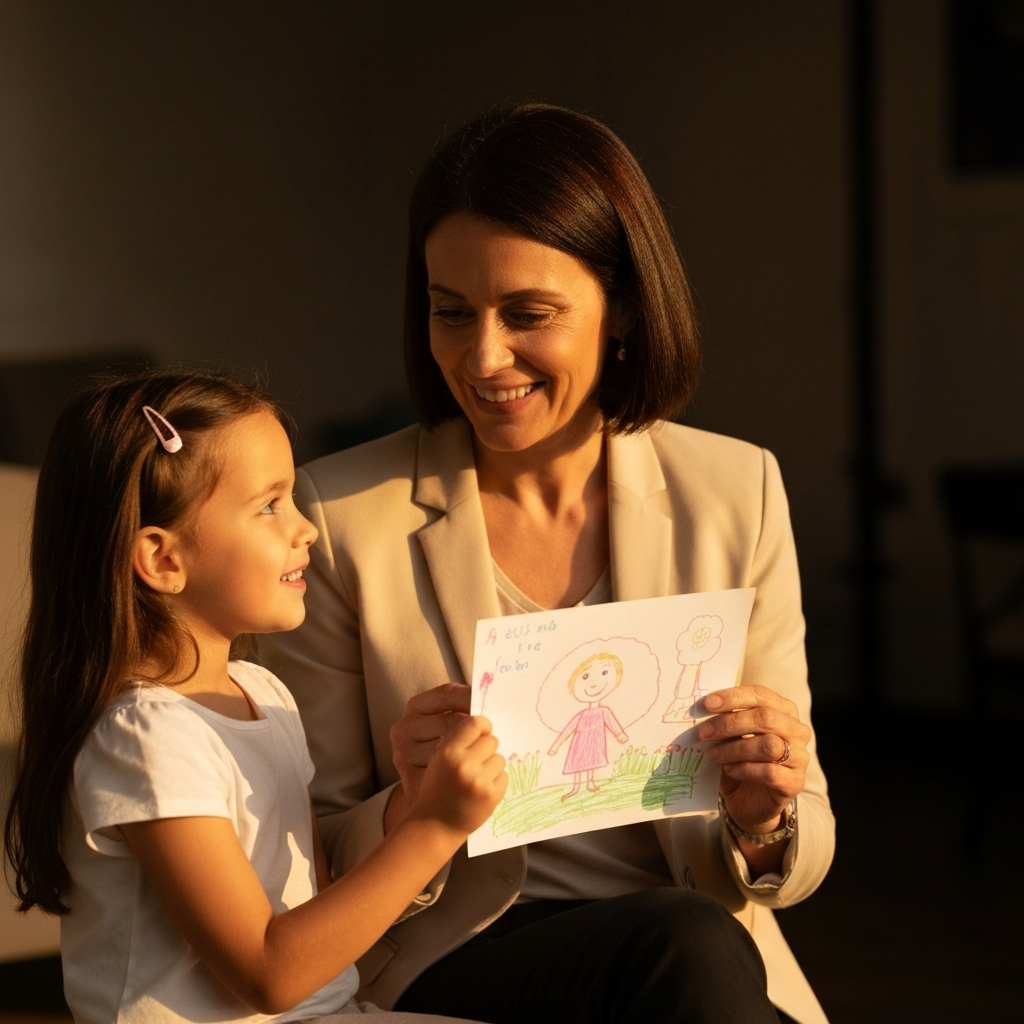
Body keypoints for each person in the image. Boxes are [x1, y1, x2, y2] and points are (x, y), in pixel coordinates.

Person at [261, 104, 835, 1024]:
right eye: (452, 313)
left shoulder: (738, 489)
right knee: (686, 945)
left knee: (691, 942)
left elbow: (792, 852)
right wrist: (408, 807)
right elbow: (300, 854)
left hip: (698, 950)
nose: (483, 358)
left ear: (623, 312)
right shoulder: (335, 513)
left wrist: (765, 817)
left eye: (528, 314)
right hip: (457, 946)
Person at [3, 370, 504, 1024]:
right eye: (269, 505)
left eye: (292, 499)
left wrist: (411, 800)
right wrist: (438, 827)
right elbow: (270, 975)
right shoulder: (146, 737)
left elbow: (306, 901)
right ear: (162, 561)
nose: (306, 531)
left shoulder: (262, 692)